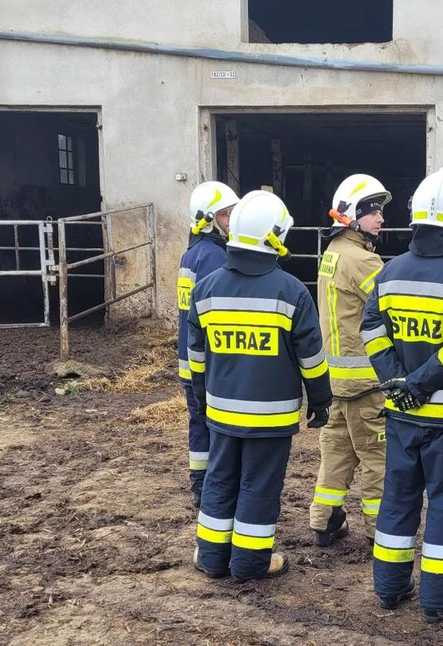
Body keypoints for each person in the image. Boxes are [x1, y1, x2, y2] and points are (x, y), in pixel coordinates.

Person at [361, 167, 443, 622]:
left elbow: (371, 332)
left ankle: (389, 588)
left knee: (398, 498)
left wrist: (399, 382)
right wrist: (416, 385)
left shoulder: (390, 270)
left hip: (401, 414)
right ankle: (440, 600)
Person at [187, 190, 333, 581]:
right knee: (259, 486)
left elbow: (196, 358)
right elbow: (312, 360)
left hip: (219, 412)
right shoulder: (291, 292)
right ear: (272, 237)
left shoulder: (206, 290)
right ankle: (251, 563)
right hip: (270, 417)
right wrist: (321, 403)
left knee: (219, 480)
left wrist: (202, 401)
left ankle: (213, 559)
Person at [310, 174, 390, 547]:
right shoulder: (363, 261)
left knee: (337, 453)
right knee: (377, 457)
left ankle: (324, 521)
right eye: (372, 211)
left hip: (335, 380)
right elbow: (392, 310)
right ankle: (382, 531)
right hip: (365, 381)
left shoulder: (332, 254)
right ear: (351, 216)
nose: (380, 219)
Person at [177, 181, 239, 509]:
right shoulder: (216, 257)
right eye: (226, 214)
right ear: (209, 218)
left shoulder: (192, 254)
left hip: (188, 360)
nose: (232, 220)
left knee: (197, 425)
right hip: (208, 363)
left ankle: (199, 484)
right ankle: (210, 488)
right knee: (212, 427)